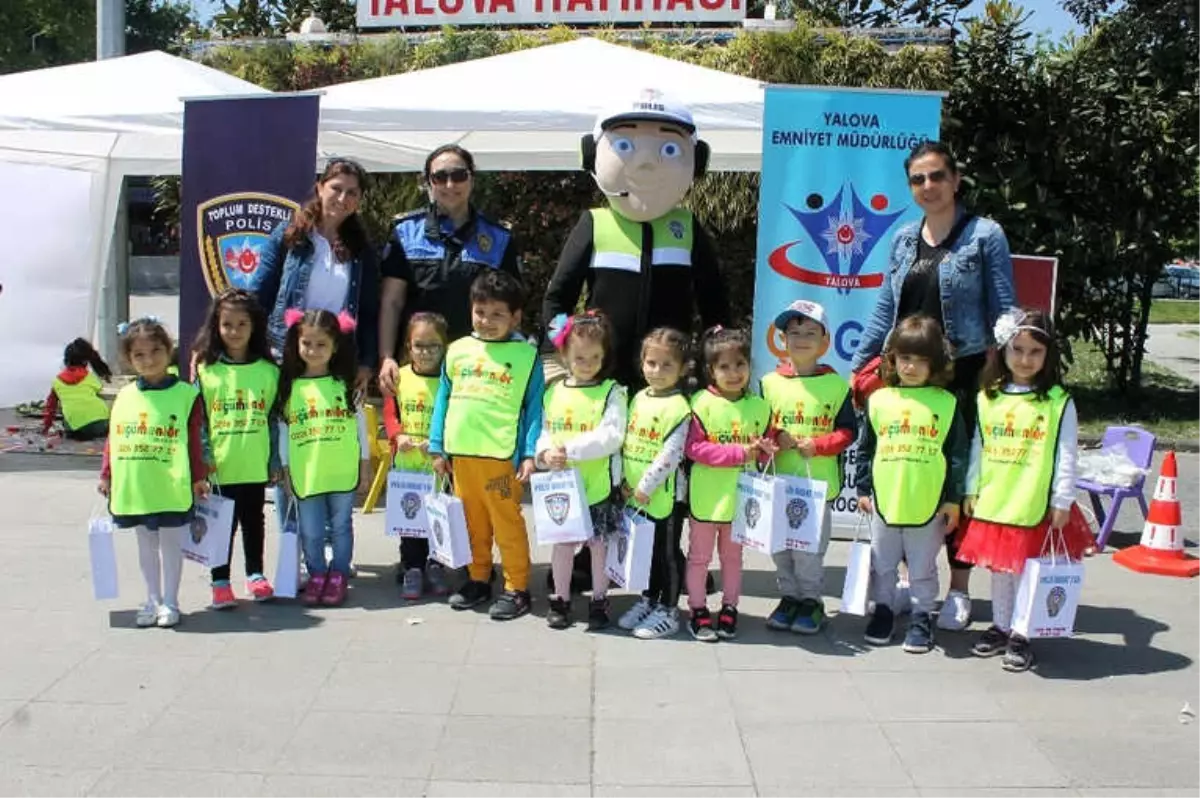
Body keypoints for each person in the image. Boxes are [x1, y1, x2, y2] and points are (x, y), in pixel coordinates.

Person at [850, 140, 1016, 633]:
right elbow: (885, 310)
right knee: (906, 475)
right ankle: (907, 583)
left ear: (956, 179)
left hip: (959, 375)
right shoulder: (902, 238)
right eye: (918, 179)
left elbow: (1003, 307)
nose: (928, 186)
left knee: (953, 483)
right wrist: (861, 368)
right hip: (902, 379)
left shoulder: (985, 235)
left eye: (937, 176)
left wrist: (1009, 373)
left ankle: (958, 589)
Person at [543, 89, 729, 387]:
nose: (645, 164)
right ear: (591, 154)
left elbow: (714, 300)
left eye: (669, 149)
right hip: (601, 371)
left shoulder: (687, 226)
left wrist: (718, 355)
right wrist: (560, 346)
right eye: (625, 145)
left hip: (668, 372)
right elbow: (558, 297)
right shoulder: (595, 222)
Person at [957, 308, 1093, 672]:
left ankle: (1022, 632)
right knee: (1001, 570)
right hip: (996, 498)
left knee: (1030, 571)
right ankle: (1001, 625)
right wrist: (971, 489)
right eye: (1017, 349)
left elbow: (1066, 454)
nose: (1025, 359)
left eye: (1035, 351)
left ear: (1048, 354)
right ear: (1003, 350)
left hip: (1034, 501)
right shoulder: (989, 397)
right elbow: (977, 446)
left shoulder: (1058, 402)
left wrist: (1062, 499)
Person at [429, 270, 545, 620]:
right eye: (481, 312)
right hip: (461, 456)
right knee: (472, 523)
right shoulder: (457, 350)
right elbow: (443, 401)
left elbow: (535, 408)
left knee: (507, 524)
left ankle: (517, 587)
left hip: (500, 459)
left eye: (498, 314)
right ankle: (479, 577)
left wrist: (528, 454)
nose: (488, 321)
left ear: (516, 317)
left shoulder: (526, 357)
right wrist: (437, 446)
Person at [856, 315, 969, 653]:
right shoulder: (879, 400)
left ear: (936, 364)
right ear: (892, 359)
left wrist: (952, 500)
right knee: (884, 563)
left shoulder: (947, 404)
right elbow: (866, 449)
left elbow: (958, 456)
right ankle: (884, 610)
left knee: (922, 566)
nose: (911, 367)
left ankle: (922, 614)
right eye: (905, 358)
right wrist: (863, 489)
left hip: (928, 502)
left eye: (922, 360)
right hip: (885, 501)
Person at [378, 145, 522, 396]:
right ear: (428, 183)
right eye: (440, 177)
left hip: (478, 365)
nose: (449, 184)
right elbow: (391, 302)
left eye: (458, 175)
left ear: (472, 178)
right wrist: (386, 357)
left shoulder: (498, 237)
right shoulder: (405, 232)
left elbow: (510, 307)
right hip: (417, 366)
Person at [98, 318, 209, 629]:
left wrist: (200, 476)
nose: (149, 360)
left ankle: (171, 602)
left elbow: (195, 441)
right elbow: (114, 437)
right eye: (139, 355)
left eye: (155, 351)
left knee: (171, 544)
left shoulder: (186, 394)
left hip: (171, 484)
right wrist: (106, 474)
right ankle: (152, 598)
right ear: (129, 359)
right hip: (136, 483)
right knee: (145, 544)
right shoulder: (125, 395)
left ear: (169, 349)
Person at [761, 300, 856, 635]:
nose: (801, 338)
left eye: (810, 333)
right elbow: (757, 426)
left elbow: (848, 431)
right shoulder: (768, 383)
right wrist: (776, 435)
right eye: (794, 332)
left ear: (825, 342)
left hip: (817, 487)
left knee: (810, 550)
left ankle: (811, 601)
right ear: (782, 339)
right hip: (777, 484)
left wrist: (818, 446)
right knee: (780, 547)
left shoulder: (837, 385)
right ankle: (788, 597)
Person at [252, 158, 379, 394]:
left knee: (333, 428)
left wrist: (366, 363)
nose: (342, 199)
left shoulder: (363, 249)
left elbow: (369, 312)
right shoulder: (289, 234)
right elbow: (259, 295)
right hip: (288, 354)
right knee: (286, 427)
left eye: (352, 192)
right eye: (336, 189)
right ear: (320, 187)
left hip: (338, 359)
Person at [685, 327, 777, 642]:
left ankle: (729, 607)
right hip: (706, 498)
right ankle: (697, 609)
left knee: (733, 558)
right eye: (724, 367)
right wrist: (739, 452)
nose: (734, 373)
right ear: (711, 371)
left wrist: (768, 449)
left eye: (740, 364)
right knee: (699, 558)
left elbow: (767, 448)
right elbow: (694, 449)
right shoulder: (700, 404)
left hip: (742, 499)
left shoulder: (760, 407)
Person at [536, 312, 627, 631]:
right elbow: (545, 430)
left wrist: (570, 450)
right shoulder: (553, 391)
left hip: (597, 485)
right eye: (579, 357)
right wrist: (546, 453)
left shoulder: (612, 392)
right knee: (562, 545)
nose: (587, 363)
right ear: (564, 355)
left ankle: (599, 598)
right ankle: (560, 599)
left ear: (605, 356)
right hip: (561, 486)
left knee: (598, 545)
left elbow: (612, 435)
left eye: (594, 357)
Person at [193, 288, 280, 609]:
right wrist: (204, 458)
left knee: (253, 520)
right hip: (220, 466)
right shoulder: (206, 369)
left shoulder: (269, 372)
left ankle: (255, 574)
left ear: (254, 326)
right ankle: (219, 581)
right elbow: (198, 420)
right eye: (227, 324)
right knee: (221, 524)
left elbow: (271, 420)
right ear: (216, 325)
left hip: (254, 463)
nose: (234, 331)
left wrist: (274, 460)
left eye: (242, 324)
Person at [277, 309, 367, 608]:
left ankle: (339, 574)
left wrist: (364, 464)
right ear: (297, 344)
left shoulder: (346, 385)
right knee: (311, 529)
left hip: (341, 469)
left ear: (335, 346)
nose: (313, 351)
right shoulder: (289, 387)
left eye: (321, 345)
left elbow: (361, 428)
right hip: (307, 470)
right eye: (307, 344)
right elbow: (284, 433)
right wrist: (286, 470)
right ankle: (316, 573)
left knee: (341, 525)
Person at [618, 328, 693, 640]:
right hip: (635, 493)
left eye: (666, 365)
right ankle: (649, 598)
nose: (657, 371)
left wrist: (646, 485)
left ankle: (669, 609)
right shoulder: (637, 397)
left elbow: (670, 453)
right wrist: (622, 479)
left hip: (664, 496)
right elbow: (627, 440)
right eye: (651, 363)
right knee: (646, 552)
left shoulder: (680, 407)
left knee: (667, 553)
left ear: (683, 368)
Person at [384, 312, 453, 600]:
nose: (426, 353)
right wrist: (398, 436)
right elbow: (390, 412)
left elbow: (453, 418)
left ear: (445, 347)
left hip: (437, 468)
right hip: (407, 468)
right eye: (419, 346)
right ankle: (412, 568)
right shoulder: (400, 377)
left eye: (433, 346)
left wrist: (440, 445)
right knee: (410, 524)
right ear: (408, 347)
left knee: (437, 520)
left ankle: (435, 565)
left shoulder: (449, 381)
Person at [43, 338, 112, 440]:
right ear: (85, 361)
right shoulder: (90, 377)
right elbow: (100, 392)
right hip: (100, 424)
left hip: (74, 428)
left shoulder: (57, 381)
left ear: (66, 360)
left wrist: (46, 427)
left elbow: (50, 407)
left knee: (68, 420)